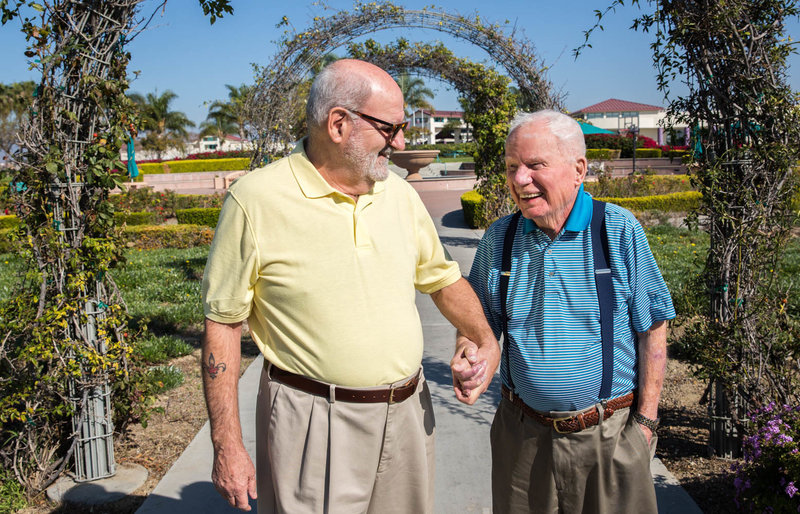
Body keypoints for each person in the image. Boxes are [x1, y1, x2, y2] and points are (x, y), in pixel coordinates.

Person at [201, 59, 499, 513]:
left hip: (408, 416)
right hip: (313, 423)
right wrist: (227, 446)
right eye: (390, 128)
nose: (401, 143)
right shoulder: (255, 201)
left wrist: (484, 338)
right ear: (338, 124)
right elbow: (222, 325)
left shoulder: (399, 194)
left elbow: (443, 280)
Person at [452, 110, 675, 513]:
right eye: (512, 167)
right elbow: (477, 323)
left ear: (578, 170)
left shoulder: (617, 230)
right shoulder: (500, 238)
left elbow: (653, 327)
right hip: (522, 439)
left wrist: (645, 423)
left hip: (607, 436)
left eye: (535, 165)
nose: (520, 179)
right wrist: (469, 353)